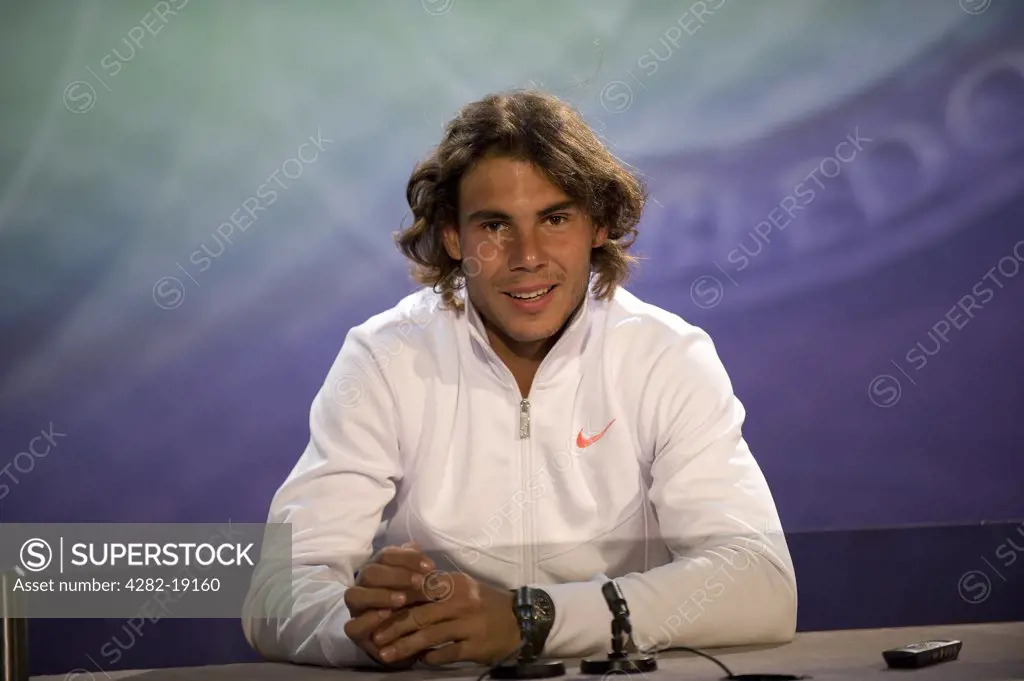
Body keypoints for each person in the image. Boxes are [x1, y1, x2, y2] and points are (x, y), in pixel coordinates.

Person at [241, 89, 797, 670]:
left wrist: (532, 620)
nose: (527, 255)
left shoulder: (666, 356)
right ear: (454, 237)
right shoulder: (386, 357)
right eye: (495, 226)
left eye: (555, 219)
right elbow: (278, 589)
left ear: (598, 226)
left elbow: (760, 583)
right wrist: (368, 629)